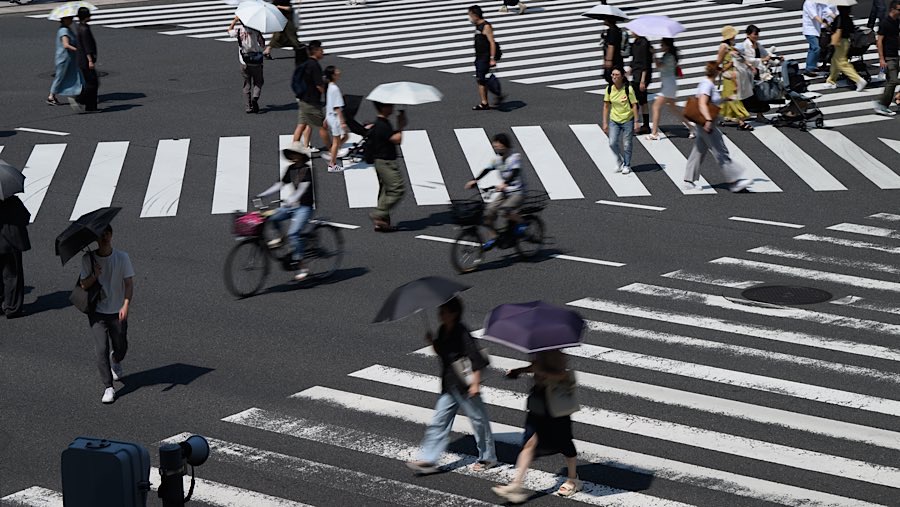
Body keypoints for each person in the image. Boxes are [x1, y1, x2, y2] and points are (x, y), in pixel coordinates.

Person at [406, 298, 497, 475]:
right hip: (449, 385)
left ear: (454, 313)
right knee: (439, 421)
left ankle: (488, 458)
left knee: (479, 422)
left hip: (466, 386)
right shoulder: (443, 330)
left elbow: (475, 358)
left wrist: (476, 384)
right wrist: (432, 342)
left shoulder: (462, 332)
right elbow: (443, 353)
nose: (440, 314)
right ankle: (428, 459)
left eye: (444, 311)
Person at [492, 350, 580, 503]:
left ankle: (573, 479)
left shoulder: (557, 354)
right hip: (539, 405)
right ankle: (516, 486)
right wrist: (520, 371)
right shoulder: (539, 351)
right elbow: (535, 367)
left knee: (565, 443)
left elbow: (563, 375)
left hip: (555, 407)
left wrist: (542, 372)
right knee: (529, 443)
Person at [78, 225, 134, 404]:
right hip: (97, 312)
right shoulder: (88, 259)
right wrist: (94, 275)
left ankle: (116, 359)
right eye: (100, 235)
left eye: (107, 233)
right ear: (96, 238)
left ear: (111, 235)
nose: (104, 237)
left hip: (117, 311)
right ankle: (108, 387)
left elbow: (129, 284)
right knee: (100, 349)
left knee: (121, 346)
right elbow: (83, 285)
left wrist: (125, 304)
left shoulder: (122, 257)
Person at [684, 62, 751, 194]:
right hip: (707, 124)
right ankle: (734, 181)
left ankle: (688, 181)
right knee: (721, 152)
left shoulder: (707, 83)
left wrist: (726, 99)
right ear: (716, 72)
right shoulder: (707, 85)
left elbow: (710, 102)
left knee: (698, 151)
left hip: (704, 124)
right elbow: (703, 103)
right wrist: (708, 120)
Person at [256, 142, 314, 282]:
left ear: (300, 156)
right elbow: (279, 185)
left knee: (293, 234)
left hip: (304, 208)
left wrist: (291, 200)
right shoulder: (290, 169)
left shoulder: (306, 170)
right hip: (292, 206)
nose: (293, 156)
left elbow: (302, 189)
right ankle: (281, 238)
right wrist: (262, 195)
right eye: (291, 153)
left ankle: (301, 267)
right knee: (273, 218)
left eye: (295, 153)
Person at [464, 133, 525, 251]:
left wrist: (505, 183)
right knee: (488, 212)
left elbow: (515, 172)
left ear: (506, 146)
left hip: (518, 191)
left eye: (499, 146)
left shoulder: (514, 157)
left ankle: (522, 223)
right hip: (506, 192)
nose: (496, 149)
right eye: (495, 147)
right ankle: (494, 236)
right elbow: (488, 169)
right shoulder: (497, 159)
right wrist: (475, 180)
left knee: (504, 210)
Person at [366, 102, 406, 231]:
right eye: (390, 105)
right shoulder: (382, 125)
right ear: (383, 107)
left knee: (385, 190)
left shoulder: (381, 123)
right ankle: (379, 213)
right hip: (386, 162)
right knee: (397, 189)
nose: (392, 107)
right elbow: (397, 139)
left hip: (380, 161)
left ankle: (382, 222)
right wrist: (400, 126)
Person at [646, 38, 693, 141]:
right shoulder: (669, 55)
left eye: (662, 45)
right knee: (674, 109)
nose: (660, 47)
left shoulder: (669, 57)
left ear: (667, 46)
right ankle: (692, 128)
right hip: (669, 84)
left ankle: (654, 133)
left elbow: (659, 66)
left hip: (668, 85)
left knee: (656, 107)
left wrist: (653, 54)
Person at [292, 40, 328, 153]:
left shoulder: (306, 63)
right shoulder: (314, 65)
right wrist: (328, 95)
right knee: (322, 126)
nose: (323, 52)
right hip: (311, 101)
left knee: (302, 124)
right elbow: (319, 85)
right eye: (321, 50)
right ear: (316, 51)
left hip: (303, 99)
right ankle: (332, 150)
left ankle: (296, 149)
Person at [602, 66, 639, 175]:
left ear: (622, 76)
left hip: (628, 120)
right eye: (613, 74)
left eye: (616, 75)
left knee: (627, 144)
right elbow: (606, 106)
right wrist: (604, 123)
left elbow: (634, 105)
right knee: (612, 143)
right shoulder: (609, 89)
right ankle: (619, 161)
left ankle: (627, 165)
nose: (614, 77)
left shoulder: (628, 89)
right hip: (614, 120)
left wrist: (636, 121)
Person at [717, 25, 754, 131]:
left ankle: (721, 117)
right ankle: (741, 122)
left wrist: (748, 65)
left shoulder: (731, 46)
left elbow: (739, 58)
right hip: (729, 76)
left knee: (728, 97)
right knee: (733, 97)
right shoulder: (723, 46)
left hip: (734, 74)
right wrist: (722, 69)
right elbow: (719, 61)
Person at [0, 196, 30, 319]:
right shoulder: (13, 201)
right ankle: (11, 307)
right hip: (10, 243)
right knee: (12, 276)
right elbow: (25, 217)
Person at [825, 6, 868, 92]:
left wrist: (828, 25)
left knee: (841, 62)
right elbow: (852, 29)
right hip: (846, 41)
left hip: (840, 41)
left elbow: (836, 29)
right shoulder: (848, 18)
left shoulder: (839, 18)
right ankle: (831, 80)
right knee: (835, 60)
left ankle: (858, 80)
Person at [469, 5, 504, 110]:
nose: (469, 17)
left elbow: (492, 42)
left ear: (475, 15)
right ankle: (491, 98)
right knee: (482, 79)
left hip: (485, 57)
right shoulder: (478, 25)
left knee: (481, 79)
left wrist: (492, 58)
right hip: (479, 56)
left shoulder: (486, 26)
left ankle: (486, 101)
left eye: (470, 15)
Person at [228, 16, 265, 114]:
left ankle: (248, 107)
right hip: (256, 61)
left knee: (246, 84)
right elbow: (262, 44)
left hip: (244, 61)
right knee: (258, 82)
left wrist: (234, 20)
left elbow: (229, 31)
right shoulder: (256, 30)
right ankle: (255, 98)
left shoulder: (238, 30)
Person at [740, 25, 776, 123]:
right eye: (755, 34)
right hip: (748, 73)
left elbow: (765, 53)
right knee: (749, 96)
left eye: (757, 34)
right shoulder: (746, 45)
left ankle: (759, 115)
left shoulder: (757, 44)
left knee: (759, 95)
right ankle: (738, 116)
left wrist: (775, 58)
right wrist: (762, 60)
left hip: (758, 73)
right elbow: (748, 59)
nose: (756, 36)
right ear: (748, 35)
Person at [47, 16, 83, 108]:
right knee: (60, 76)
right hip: (64, 58)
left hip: (68, 57)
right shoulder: (64, 30)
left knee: (71, 75)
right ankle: (51, 96)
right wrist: (78, 50)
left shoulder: (66, 28)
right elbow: (66, 45)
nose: (71, 20)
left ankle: (77, 93)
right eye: (69, 18)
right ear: (64, 20)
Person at [873, 0, 900, 116]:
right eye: (899, 9)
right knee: (894, 81)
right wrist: (881, 59)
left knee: (890, 82)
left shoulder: (896, 22)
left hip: (895, 55)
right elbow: (879, 41)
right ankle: (881, 103)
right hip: (888, 56)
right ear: (892, 9)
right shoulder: (885, 23)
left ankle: (884, 105)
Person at [322, 66, 350, 172]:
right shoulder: (335, 88)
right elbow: (337, 107)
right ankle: (332, 164)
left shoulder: (329, 86)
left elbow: (329, 103)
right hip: (335, 118)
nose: (339, 71)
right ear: (333, 75)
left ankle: (332, 153)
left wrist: (326, 118)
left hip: (330, 116)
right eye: (337, 70)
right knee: (336, 142)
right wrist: (342, 122)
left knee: (346, 136)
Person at [264, 0, 306, 64]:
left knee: (279, 34)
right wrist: (284, 8)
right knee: (289, 34)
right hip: (284, 16)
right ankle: (299, 49)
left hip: (283, 16)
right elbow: (281, 6)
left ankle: (268, 50)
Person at [75, 7, 99, 112]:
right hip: (85, 61)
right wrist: (90, 60)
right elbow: (87, 46)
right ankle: (80, 99)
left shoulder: (81, 27)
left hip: (82, 59)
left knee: (91, 82)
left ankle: (91, 106)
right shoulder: (84, 29)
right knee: (93, 83)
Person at [630, 31, 653, 135]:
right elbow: (634, 59)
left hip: (641, 77)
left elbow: (645, 63)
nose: (631, 32)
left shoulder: (644, 43)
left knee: (637, 101)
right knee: (641, 101)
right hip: (636, 74)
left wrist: (643, 80)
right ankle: (644, 125)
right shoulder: (636, 42)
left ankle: (638, 125)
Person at [803, 0, 831, 78]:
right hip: (809, 30)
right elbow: (814, 15)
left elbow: (827, 10)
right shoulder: (809, 2)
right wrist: (823, 23)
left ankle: (810, 67)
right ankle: (810, 68)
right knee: (816, 48)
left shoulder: (820, 2)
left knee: (813, 48)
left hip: (816, 30)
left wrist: (837, 18)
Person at [602, 18, 624, 84]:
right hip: (617, 59)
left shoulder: (612, 31)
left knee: (612, 78)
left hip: (614, 60)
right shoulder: (615, 30)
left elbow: (611, 46)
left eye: (605, 19)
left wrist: (608, 60)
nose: (604, 20)